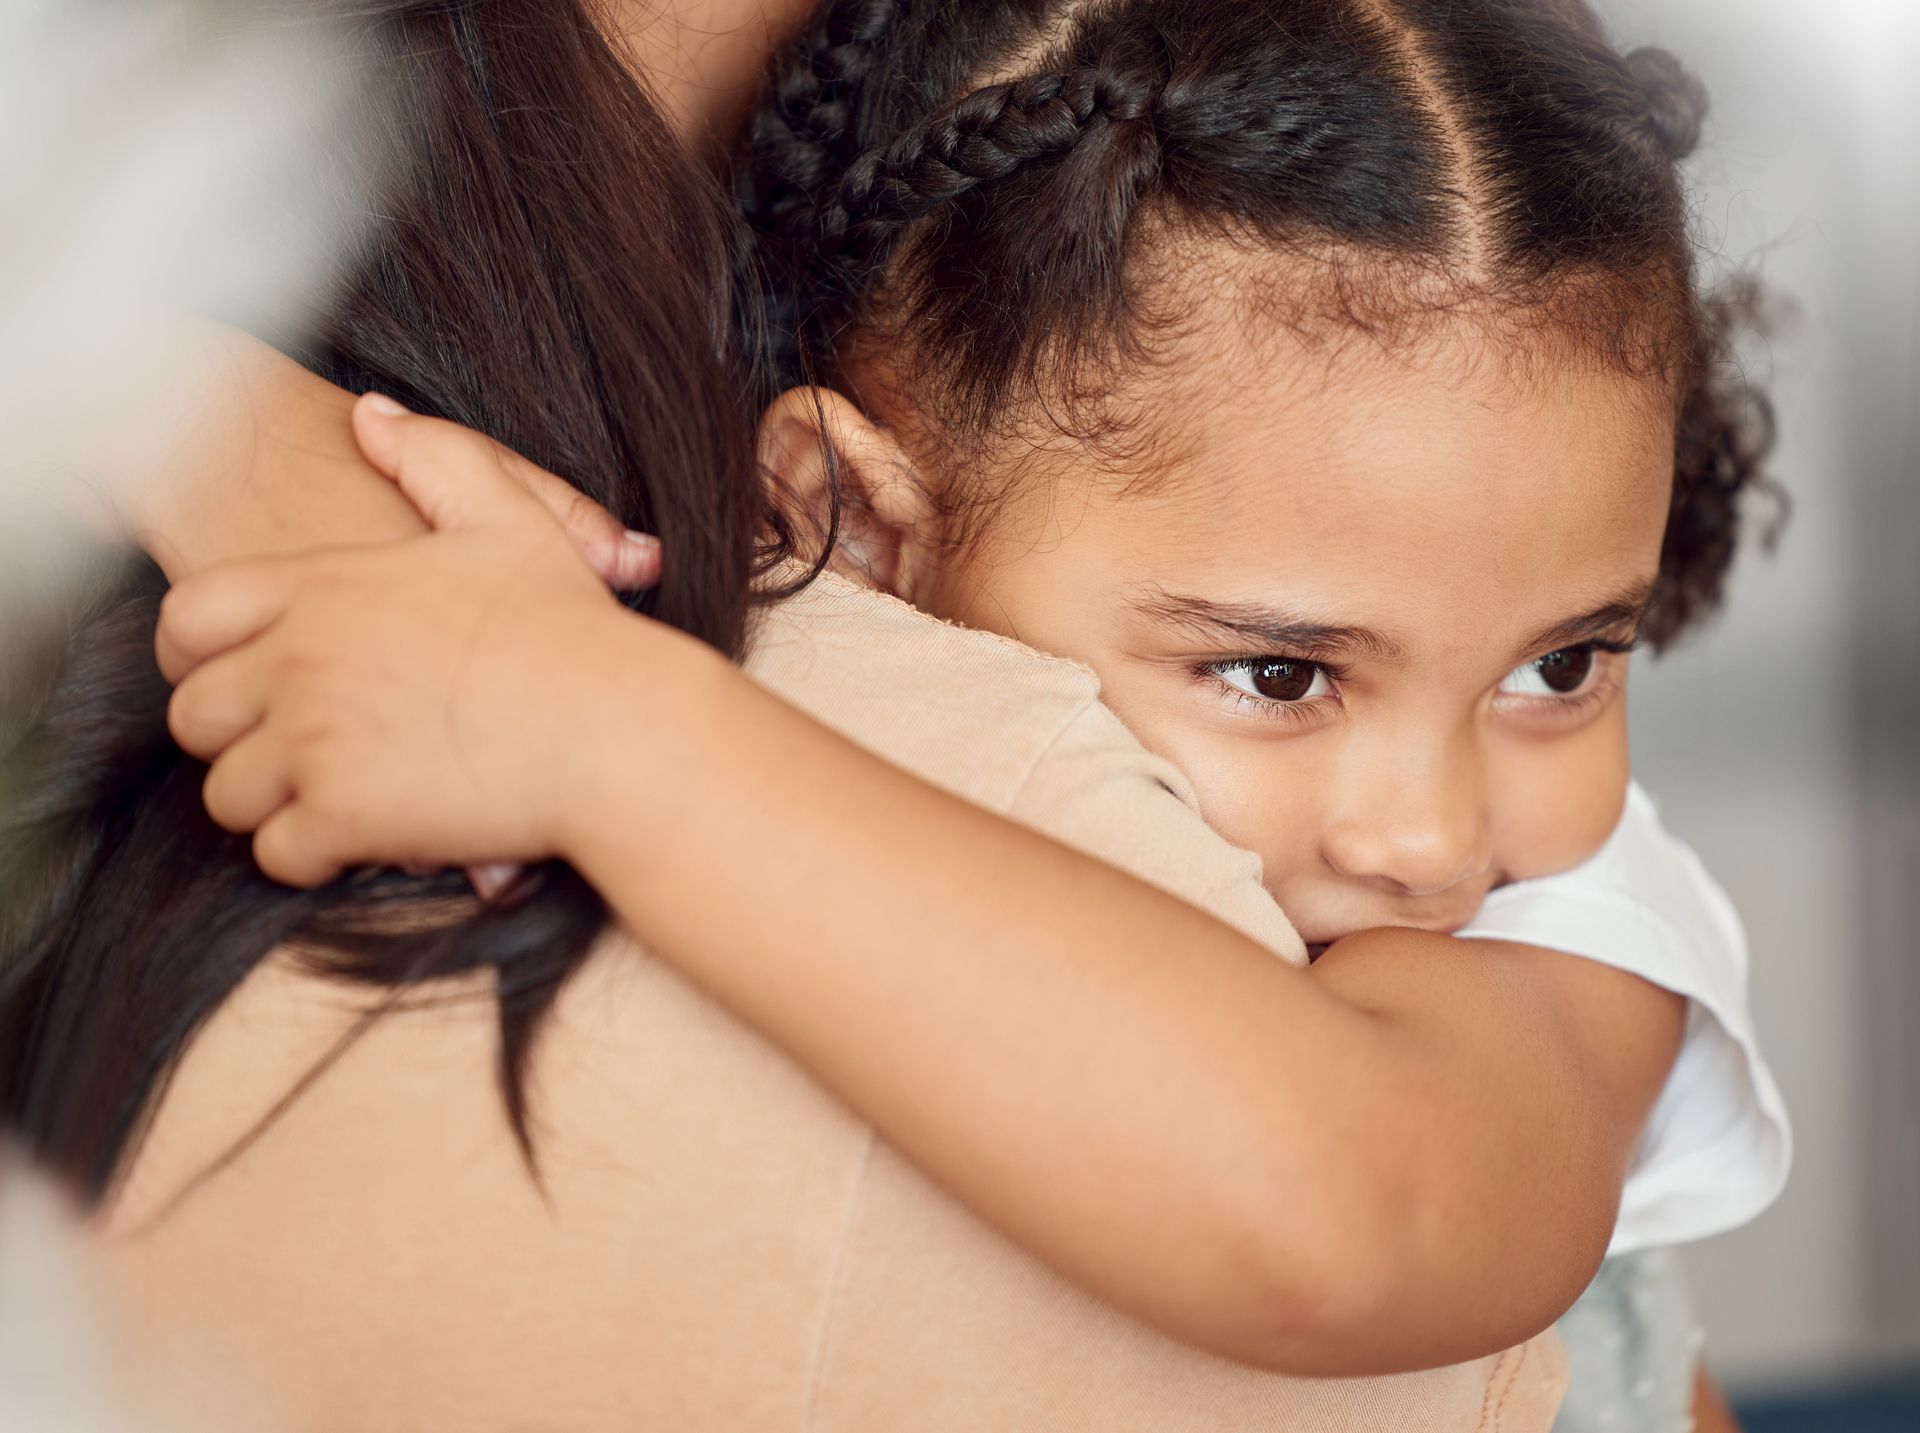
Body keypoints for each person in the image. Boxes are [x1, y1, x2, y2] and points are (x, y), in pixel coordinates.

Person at [153, 0, 1786, 1427]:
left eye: (1561, 666)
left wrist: (600, 723)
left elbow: (1369, 1202)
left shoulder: (1578, 934)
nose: (1433, 836)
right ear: (848, 523)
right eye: (1282, 675)